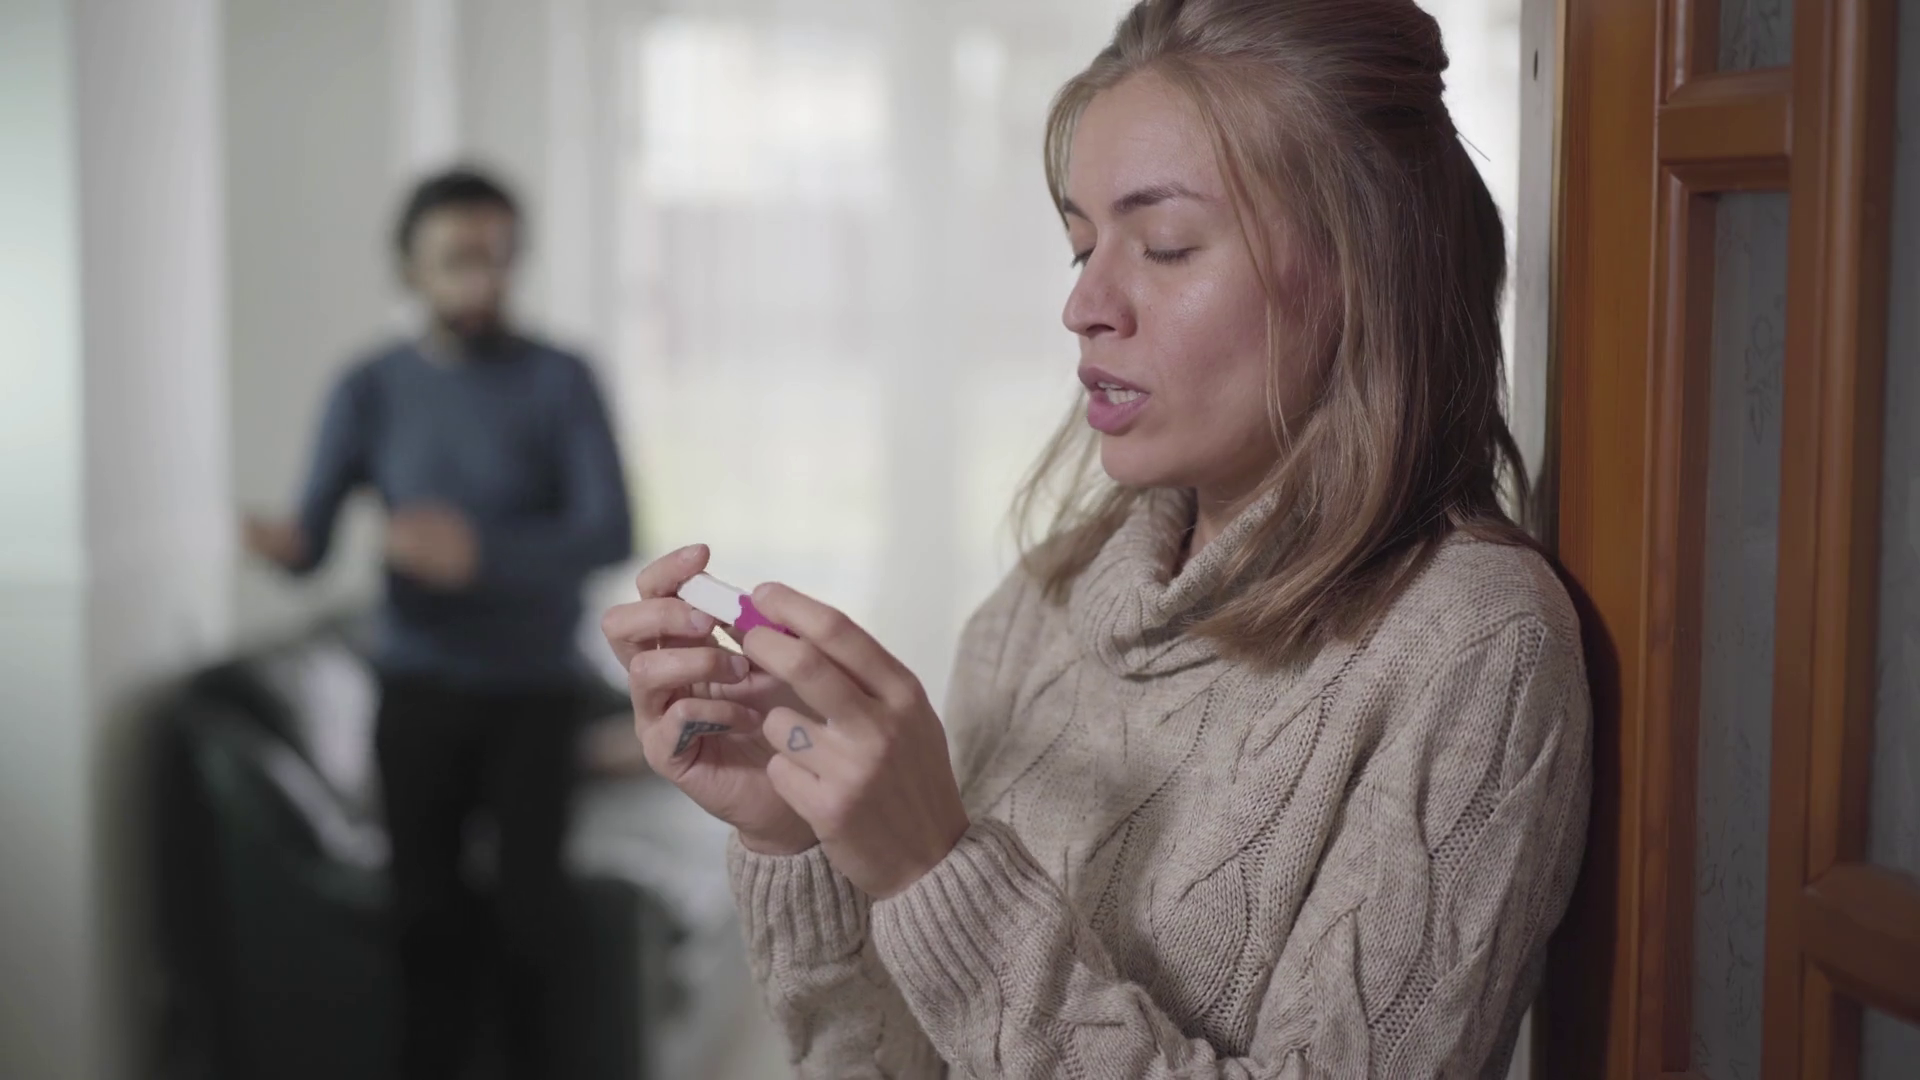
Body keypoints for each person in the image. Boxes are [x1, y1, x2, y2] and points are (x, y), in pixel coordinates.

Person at [601, 0, 1591, 1075]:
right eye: (1081, 245)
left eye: (1164, 246)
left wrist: (938, 872)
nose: (1085, 304)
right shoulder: (1041, 604)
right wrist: (795, 832)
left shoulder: (1477, 646)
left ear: (1366, 267)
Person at [244, 167, 633, 1080]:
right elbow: (311, 544)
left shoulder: (562, 379)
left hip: (535, 693)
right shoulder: (368, 387)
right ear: (409, 268)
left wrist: (481, 555)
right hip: (415, 692)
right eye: (460, 259)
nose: (483, 279)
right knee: (422, 921)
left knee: (533, 919)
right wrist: (274, 540)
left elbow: (609, 531)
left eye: (499, 258)